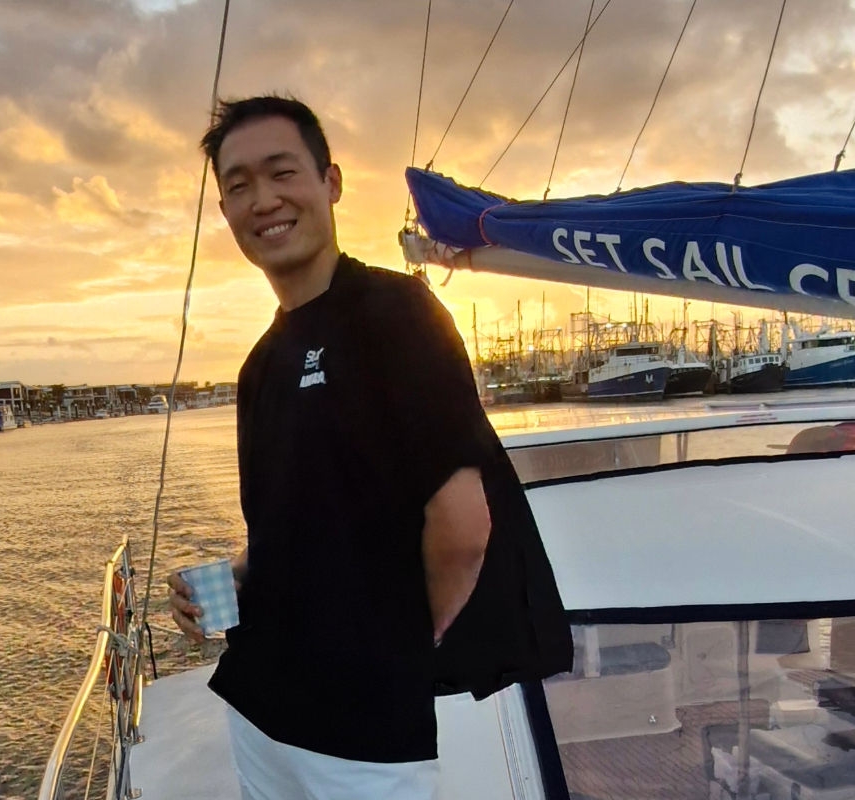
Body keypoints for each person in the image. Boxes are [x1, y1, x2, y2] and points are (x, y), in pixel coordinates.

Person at [168, 95, 571, 800]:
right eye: (237, 186)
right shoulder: (261, 363)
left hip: (360, 741)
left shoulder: (398, 315)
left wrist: (395, 654)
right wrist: (236, 576)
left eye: (281, 172)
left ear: (330, 183)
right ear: (226, 212)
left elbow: (464, 530)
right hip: (261, 711)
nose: (262, 199)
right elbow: (295, 525)